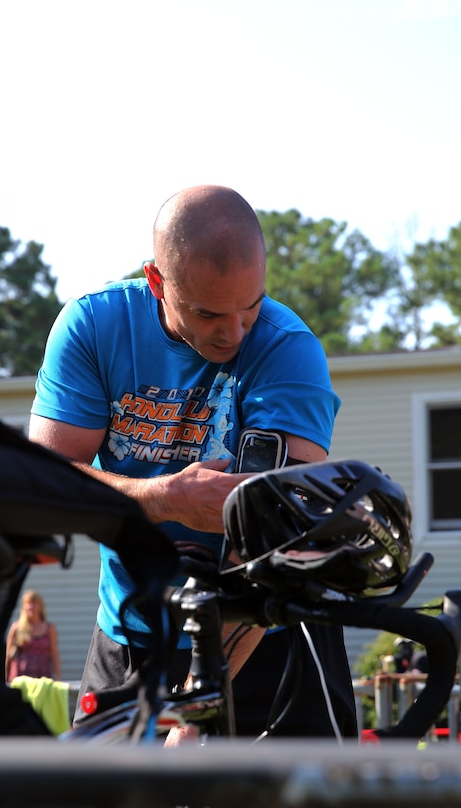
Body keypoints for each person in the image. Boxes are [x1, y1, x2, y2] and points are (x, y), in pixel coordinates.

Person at [28, 184, 357, 738]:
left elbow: (280, 543)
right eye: (208, 313)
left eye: (249, 308)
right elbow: (40, 482)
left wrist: (201, 697)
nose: (233, 333)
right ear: (157, 281)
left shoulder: (287, 348)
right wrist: (162, 499)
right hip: (134, 630)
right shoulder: (93, 328)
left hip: (268, 632)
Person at [5, 590, 61, 683]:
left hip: (43, 676)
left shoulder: (49, 628)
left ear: (40, 607)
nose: (31, 607)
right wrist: (5, 678)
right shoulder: (16, 628)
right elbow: (8, 656)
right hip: (21, 677)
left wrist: (58, 678)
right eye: (28, 604)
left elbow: (54, 654)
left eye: (34, 603)